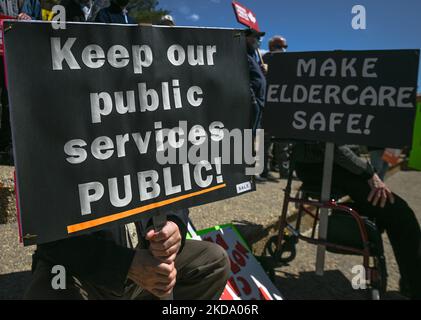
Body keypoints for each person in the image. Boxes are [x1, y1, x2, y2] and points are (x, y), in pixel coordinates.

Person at [293, 142, 421, 299]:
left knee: (389, 211)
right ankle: (414, 287)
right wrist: (369, 173)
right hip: (324, 165)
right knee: (400, 213)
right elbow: (334, 147)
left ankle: (409, 282)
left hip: (326, 163)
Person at [24, 209, 230, 299]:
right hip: (81, 273)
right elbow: (49, 240)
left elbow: (172, 183)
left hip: (144, 253)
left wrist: (173, 223)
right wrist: (125, 265)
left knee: (213, 263)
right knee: (47, 291)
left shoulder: (145, 126)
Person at [0, 0, 41, 162]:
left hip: (19, 56)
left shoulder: (33, 2)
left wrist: (29, 21)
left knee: (13, 100)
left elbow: (38, 25)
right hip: (2, 53)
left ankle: (9, 144)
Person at [262, 36, 290, 180]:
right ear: (273, 46)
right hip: (267, 107)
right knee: (265, 141)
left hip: (283, 106)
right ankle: (263, 171)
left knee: (283, 142)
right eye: (281, 46)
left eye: (285, 46)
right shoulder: (264, 59)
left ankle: (284, 172)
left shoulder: (288, 61)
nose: (283, 49)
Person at [245, 28, 269, 182]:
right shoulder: (242, 54)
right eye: (255, 37)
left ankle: (254, 171)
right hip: (253, 101)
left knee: (256, 136)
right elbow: (243, 78)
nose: (258, 40)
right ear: (247, 37)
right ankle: (247, 172)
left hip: (260, 101)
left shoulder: (254, 56)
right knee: (248, 136)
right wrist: (252, 99)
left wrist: (262, 71)